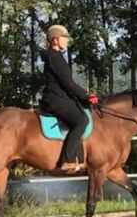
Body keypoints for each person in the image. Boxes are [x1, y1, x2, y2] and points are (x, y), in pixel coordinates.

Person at [40, 24, 100, 174]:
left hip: (59, 96)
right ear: (55, 40)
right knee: (81, 121)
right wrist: (86, 95)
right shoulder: (55, 57)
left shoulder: (54, 56)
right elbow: (67, 82)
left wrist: (83, 97)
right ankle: (68, 160)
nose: (66, 41)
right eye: (64, 38)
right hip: (56, 99)